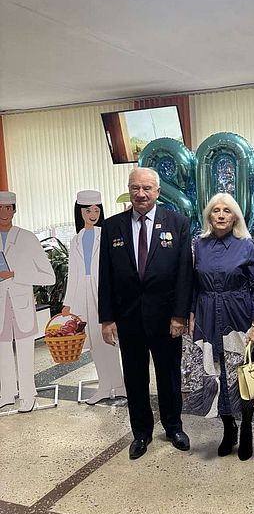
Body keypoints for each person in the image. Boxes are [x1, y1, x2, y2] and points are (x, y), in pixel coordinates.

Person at [98, 168, 193, 460]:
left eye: (147, 188)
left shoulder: (177, 223)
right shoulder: (112, 227)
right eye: (135, 188)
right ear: (129, 190)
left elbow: (184, 274)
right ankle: (141, 433)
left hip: (166, 319)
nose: (141, 194)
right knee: (135, 378)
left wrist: (180, 315)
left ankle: (173, 427)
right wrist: (107, 318)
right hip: (128, 319)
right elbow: (105, 275)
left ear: (158, 192)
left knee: (169, 376)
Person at [190, 193, 254, 460]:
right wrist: (192, 316)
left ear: (235, 217)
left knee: (242, 374)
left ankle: (246, 428)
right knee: (217, 373)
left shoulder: (245, 244)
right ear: (209, 216)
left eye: (227, 210)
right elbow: (194, 284)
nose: (221, 215)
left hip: (239, 316)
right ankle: (228, 427)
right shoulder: (199, 245)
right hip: (208, 316)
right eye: (216, 210)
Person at [61, 190, 126, 404]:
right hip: (83, 293)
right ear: (80, 212)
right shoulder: (75, 240)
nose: (93, 214)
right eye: (88, 210)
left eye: (96, 210)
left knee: (110, 339)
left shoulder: (106, 234)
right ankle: (104, 386)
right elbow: (73, 272)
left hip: (103, 291)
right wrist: (68, 303)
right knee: (95, 343)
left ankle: (120, 385)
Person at [0, 191, 56, 412]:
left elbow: (49, 277)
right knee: (2, 351)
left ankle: (27, 394)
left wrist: (15, 275)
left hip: (21, 305)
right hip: (1, 306)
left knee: (24, 351)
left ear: (14, 210)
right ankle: (6, 393)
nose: (3, 212)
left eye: (8, 208)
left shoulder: (27, 238)